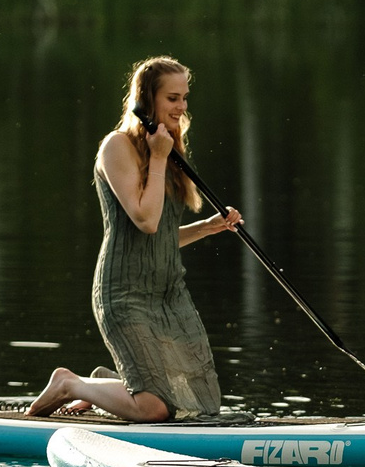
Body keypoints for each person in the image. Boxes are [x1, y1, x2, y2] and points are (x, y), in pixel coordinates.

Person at [28, 57, 242, 421]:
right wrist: (159, 159)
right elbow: (144, 221)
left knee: (199, 404)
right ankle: (69, 384)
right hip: (125, 293)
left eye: (185, 98)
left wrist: (207, 227)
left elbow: (159, 238)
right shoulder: (118, 147)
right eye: (173, 98)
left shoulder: (169, 150)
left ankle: (106, 386)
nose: (182, 107)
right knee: (157, 408)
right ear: (146, 101)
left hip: (169, 293)